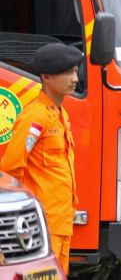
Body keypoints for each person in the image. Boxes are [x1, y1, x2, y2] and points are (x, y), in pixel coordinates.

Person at [1, 43, 82, 274]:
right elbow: (11, 168)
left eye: (75, 71)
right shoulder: (34, 116)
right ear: (46, 77)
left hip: (62, 220)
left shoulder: (59, 113)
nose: (74, 78)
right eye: (67, 72)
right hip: (43, 223)